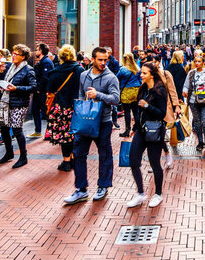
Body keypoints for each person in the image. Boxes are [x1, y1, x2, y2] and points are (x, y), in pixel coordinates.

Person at [63, 47, 120, 204]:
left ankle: (103, 186)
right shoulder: (83, 75)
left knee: (105, 154)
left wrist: (98, 95)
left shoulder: (111, 78)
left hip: (103, 122)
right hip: (85, 122)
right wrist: (81, 110)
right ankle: (81, 189)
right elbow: (81, 95)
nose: (103, 63)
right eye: (100, 59)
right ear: (93, 59)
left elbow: (116, 99)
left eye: (105, 60)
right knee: (79, 153)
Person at [126, 62, 168, 208]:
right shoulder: (143, 88)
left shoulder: (160, 90)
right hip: (141, 130)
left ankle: (158, 194)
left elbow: (162, 113)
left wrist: (147, 105)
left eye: (144, 73)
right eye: (141, 72)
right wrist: (134, 127)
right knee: (133, 161)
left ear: (152, 74)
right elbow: (138, 111)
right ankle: (140, 193)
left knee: (155, 163)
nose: (141, 75)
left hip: (155, 130)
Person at [0, 44, 37, 169]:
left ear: (23, 57)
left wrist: (16, 88)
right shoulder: (9, 67)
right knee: (4, 127)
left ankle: (23, 156)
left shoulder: (28, 69)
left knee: (17, 129)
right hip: (6, 101)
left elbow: (33, 87)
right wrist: (0, 72)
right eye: (13, 53)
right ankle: (9, 153)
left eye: (16, 54)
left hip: (19, 103)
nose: (13, 56)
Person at [45, 45, 84, 172]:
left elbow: (50, 90)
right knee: (74, 134)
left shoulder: (55, 71)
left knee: (64, 135)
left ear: (60, 57)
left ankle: (66, 161)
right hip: (77, 107)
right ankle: (73, 158)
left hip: (61, 108)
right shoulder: (80, 70)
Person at [182, 56, 205, 152]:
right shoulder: (191, 73)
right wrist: (185, 91)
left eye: (199, 61)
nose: (197, 63)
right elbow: (186, 85)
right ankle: (200, 142)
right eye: (195, 61)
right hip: (193, 101)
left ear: (203, 62)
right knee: (197, 122)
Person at [29, 43, 54, 138]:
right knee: (35, 110)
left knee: (46, 111)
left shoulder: (46, 62)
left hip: (42, 92)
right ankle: (38, 131)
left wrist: (39, 89)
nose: (35, 51)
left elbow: (45, 77)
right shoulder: (42, 61)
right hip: (38, 91)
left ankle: (51, 132)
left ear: (41, 51)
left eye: (37, 49)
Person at [117, 53, 142, 138]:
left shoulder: (123, 69)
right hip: (136, 91)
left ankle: (127, 130)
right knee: (136, 111)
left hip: (126, 91)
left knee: (127, 112)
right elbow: (140, 80)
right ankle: (138, 128)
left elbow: (117, 78)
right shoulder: (137, 68)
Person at [105, 47, 122, 130]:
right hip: (104, 85)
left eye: (108, 52)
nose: (107, 54)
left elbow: (117, 72)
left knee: (113, 105)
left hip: (111, 84)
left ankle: (114, 121)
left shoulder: (114, 62)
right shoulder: (103, 61)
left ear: (110, 53)